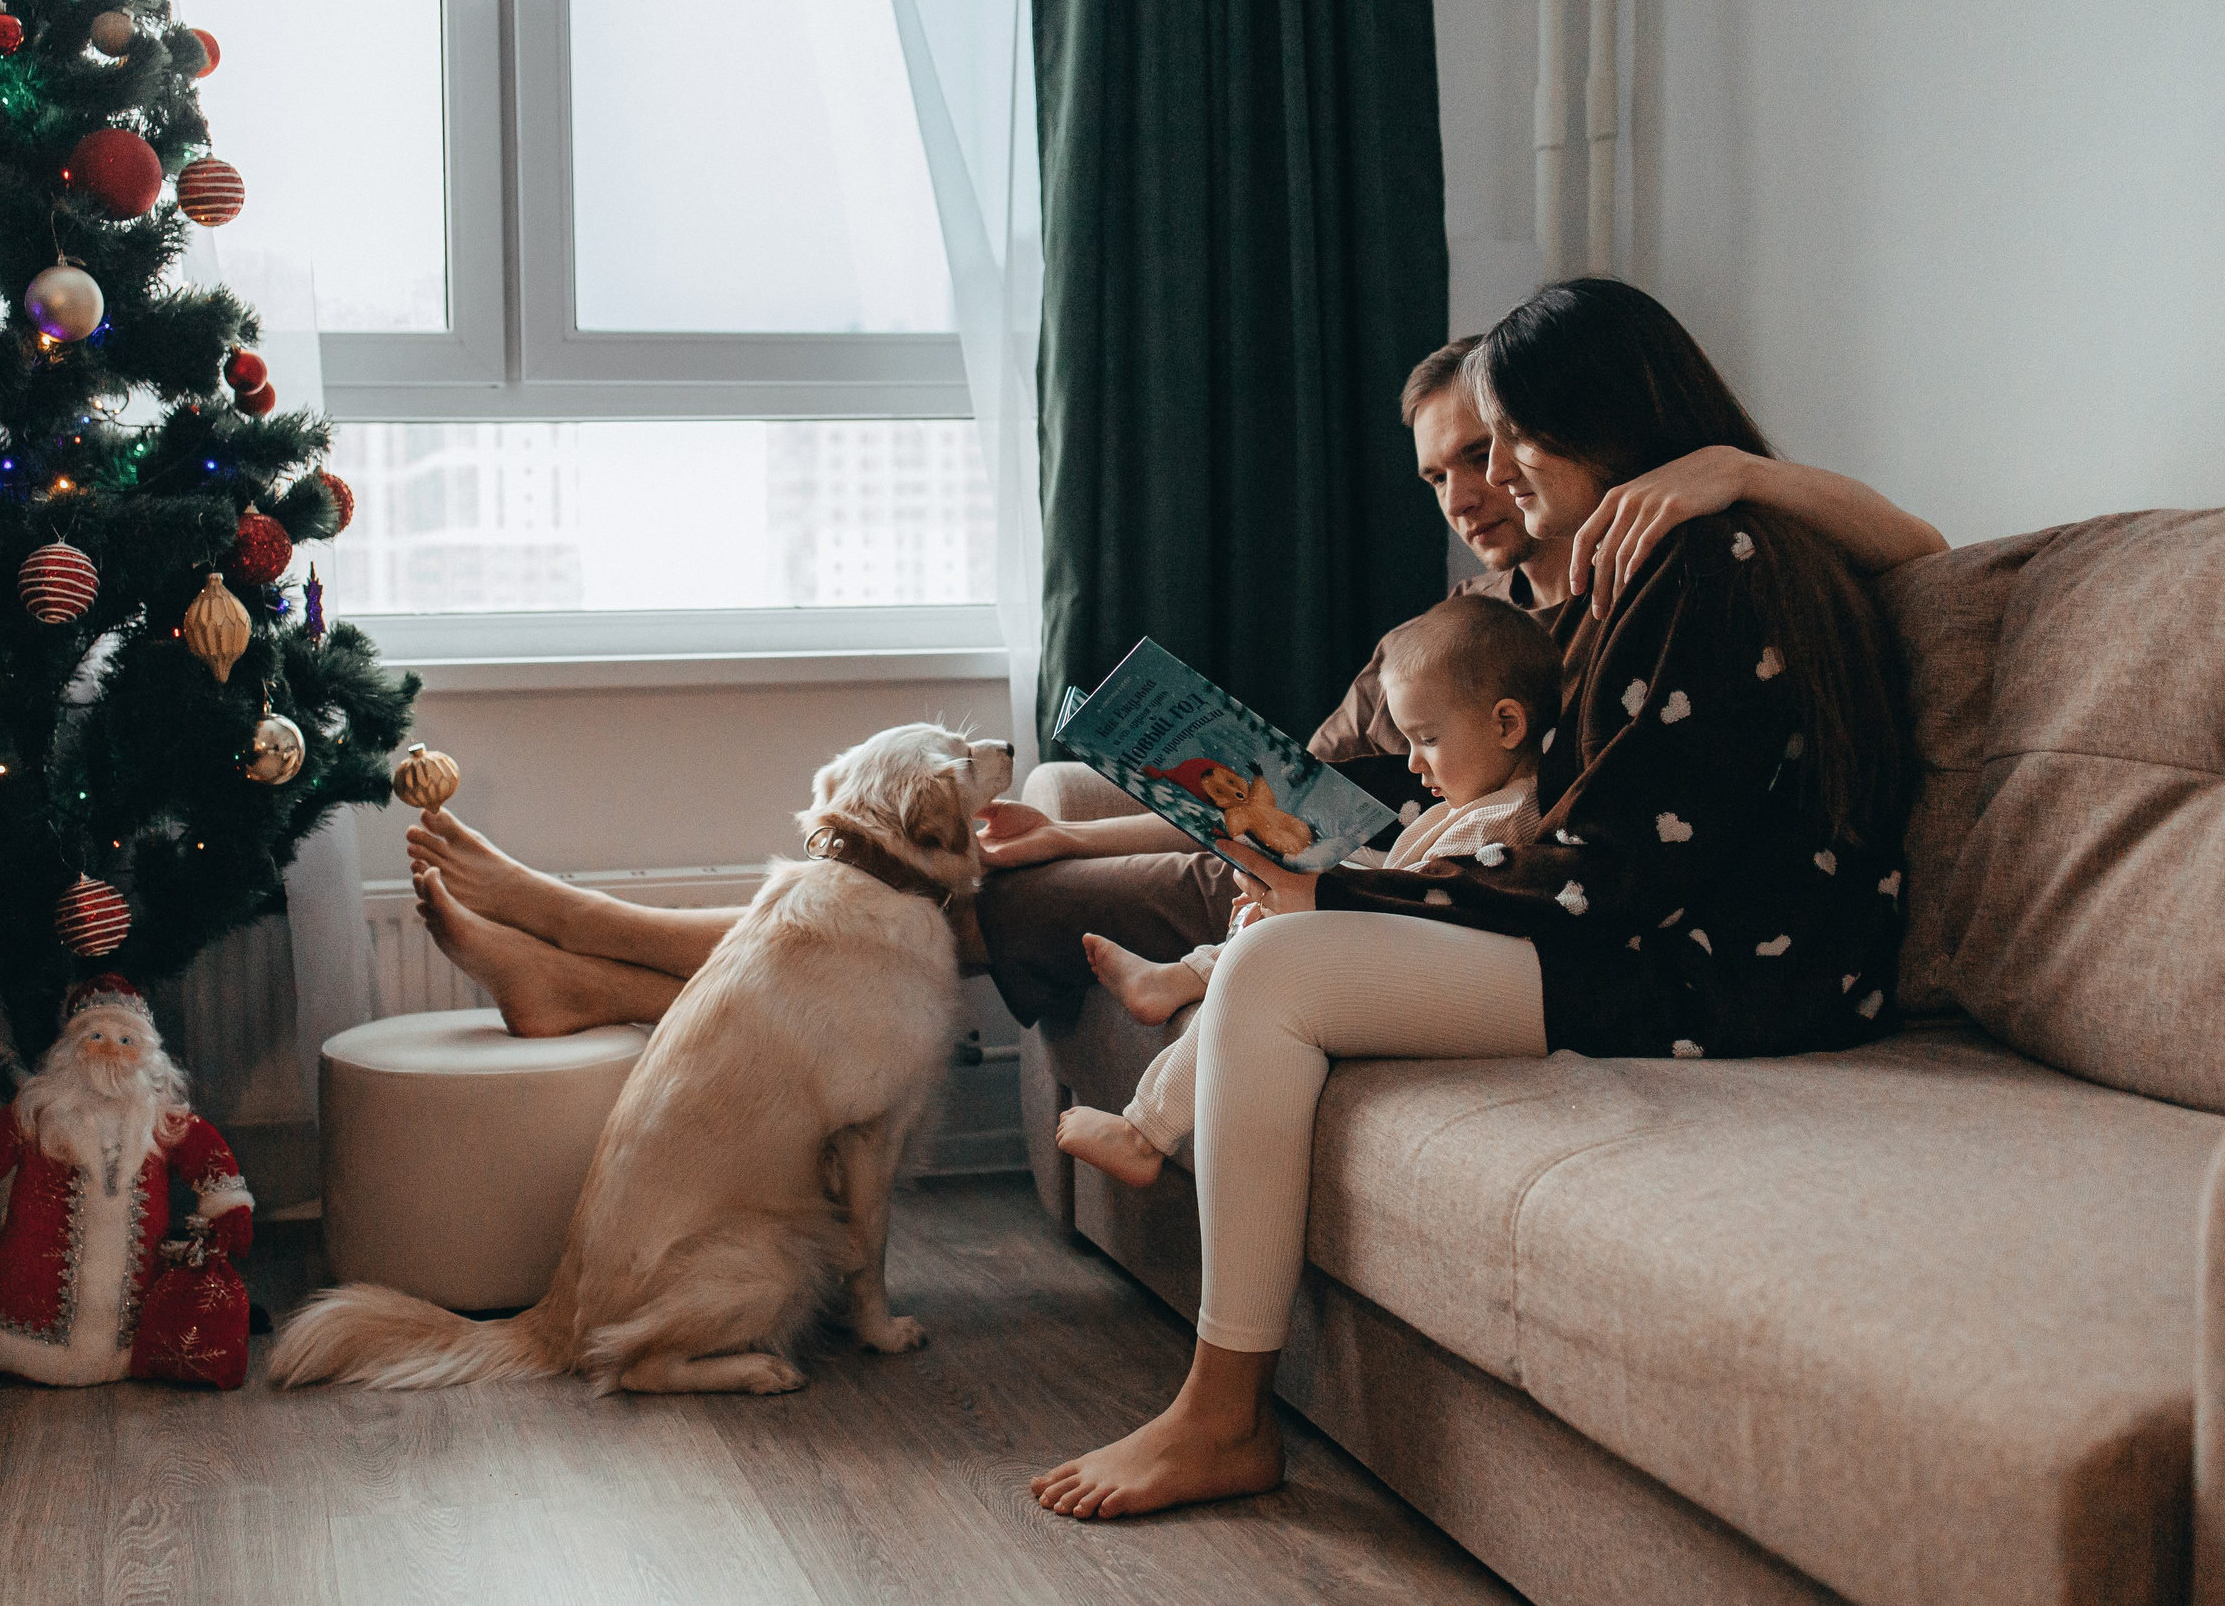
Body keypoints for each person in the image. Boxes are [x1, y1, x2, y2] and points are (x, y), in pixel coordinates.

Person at [1025, 275, 1931, 1521]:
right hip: (1641, 932)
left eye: (1508, 440)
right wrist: (1341, 882)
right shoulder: (1608, 569)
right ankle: (1219, 1404)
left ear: (1601, 416)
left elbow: (1613, 874)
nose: (1493, 476)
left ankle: (1222, 1416)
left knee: (1279, 965)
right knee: (1278, 937)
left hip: (1717, 968)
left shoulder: (1710, 556)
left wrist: (1355, 894)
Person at [403, 323, 1942, 1048]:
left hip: (1398, 894)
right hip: (1325, 854)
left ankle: (603, 952)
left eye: (1489, 454)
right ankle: (604, 961)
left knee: (994, 887)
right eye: (1442, 473)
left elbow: (1920, 558)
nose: (1472, 492)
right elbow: (1315, 771)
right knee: (1054, 808)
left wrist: (1739, 465)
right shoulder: (1477, 610)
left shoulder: (1659, 576)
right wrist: (1191, 780)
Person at [1058, 595, 1560, 1188]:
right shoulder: (1469, 802)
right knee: (1279, 910)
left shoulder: (1508, 816)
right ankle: (1181, 978)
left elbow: (1436, 903)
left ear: (1506, 724)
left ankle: (1145, 1133)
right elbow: (1407, 878)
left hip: (1434, 966)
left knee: (1275, 948)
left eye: (1426, 740)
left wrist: (1330, 894)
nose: (1415, 766)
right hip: (1404, 939)